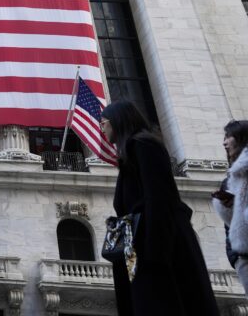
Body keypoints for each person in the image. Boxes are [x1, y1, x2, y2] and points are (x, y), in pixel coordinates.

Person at [100, 101, 218, 315]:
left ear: (118, 120)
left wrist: (156, 254)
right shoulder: (131, 152)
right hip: (141, 248)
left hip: (157, 247)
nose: (102, 128)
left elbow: (159, 197)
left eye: (104, 123)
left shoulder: (143, 145)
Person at [214, 120, 248, 294]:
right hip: (244, 257)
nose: (224, 142)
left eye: (228, 136)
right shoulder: (230, 180)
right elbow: (230, 226)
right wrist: (236, 258)